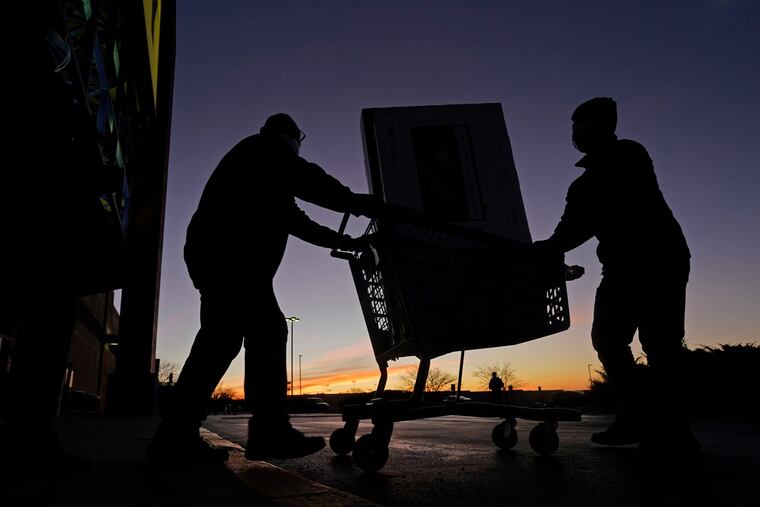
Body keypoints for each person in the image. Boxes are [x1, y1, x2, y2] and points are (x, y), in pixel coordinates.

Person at [146, 113, 383, 464]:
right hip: (230, 257)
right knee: (267, 330)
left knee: (220, 340)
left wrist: (343, 239)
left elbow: (297, 220)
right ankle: (267, 431)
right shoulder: (264, 150)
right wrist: (355, 202)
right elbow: (308, 179)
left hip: (218, 257)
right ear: (291, 137)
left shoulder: (263, 172)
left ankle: (176, 435)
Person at [534, 97, 698, 453]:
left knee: (661, 344)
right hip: (620, 266)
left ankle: (674, 431)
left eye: (582, 125)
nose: (576, 133)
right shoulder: (582, 184)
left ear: (604, 126)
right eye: (573, 127)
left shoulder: (629, 156)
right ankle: (636, 417)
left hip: (659, 260)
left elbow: (593, 213)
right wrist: (549, 247)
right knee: (607, 339)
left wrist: (555, 243)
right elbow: (571, 226)